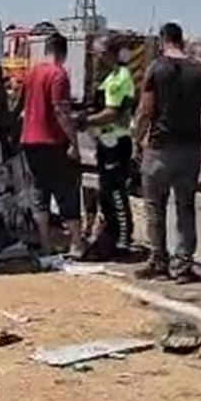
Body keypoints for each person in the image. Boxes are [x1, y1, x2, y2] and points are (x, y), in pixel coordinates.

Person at [133, 22, 201, 283]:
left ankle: (158, 261)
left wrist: (136, 139)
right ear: (182, 40)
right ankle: (183, 266)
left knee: (155, 208)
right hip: (191, 149)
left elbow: (145, 111)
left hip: (159, 148)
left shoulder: (156, 69)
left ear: (162, 41)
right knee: (186, 208)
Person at [21, 31, 84, 257]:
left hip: (29, 141)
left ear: (46, 50)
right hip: (52, 141)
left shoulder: (31, 73)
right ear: (63, 53)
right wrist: (73, 142)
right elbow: (60, 111)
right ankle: (77, 242)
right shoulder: (59, 74)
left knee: (40, 193)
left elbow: (21, 105)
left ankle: (46, 245)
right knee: (66, 190)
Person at [84, 39, 136, 253]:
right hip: (106, 141)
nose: (97, 58)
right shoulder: (110, 78)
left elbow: (111, 114)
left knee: (116, 191)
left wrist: (85, 120)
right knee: (106, 191)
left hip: (116, 141)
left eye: (99, 54)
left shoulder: (120, 79)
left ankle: (123, 237)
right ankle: (111, 234)